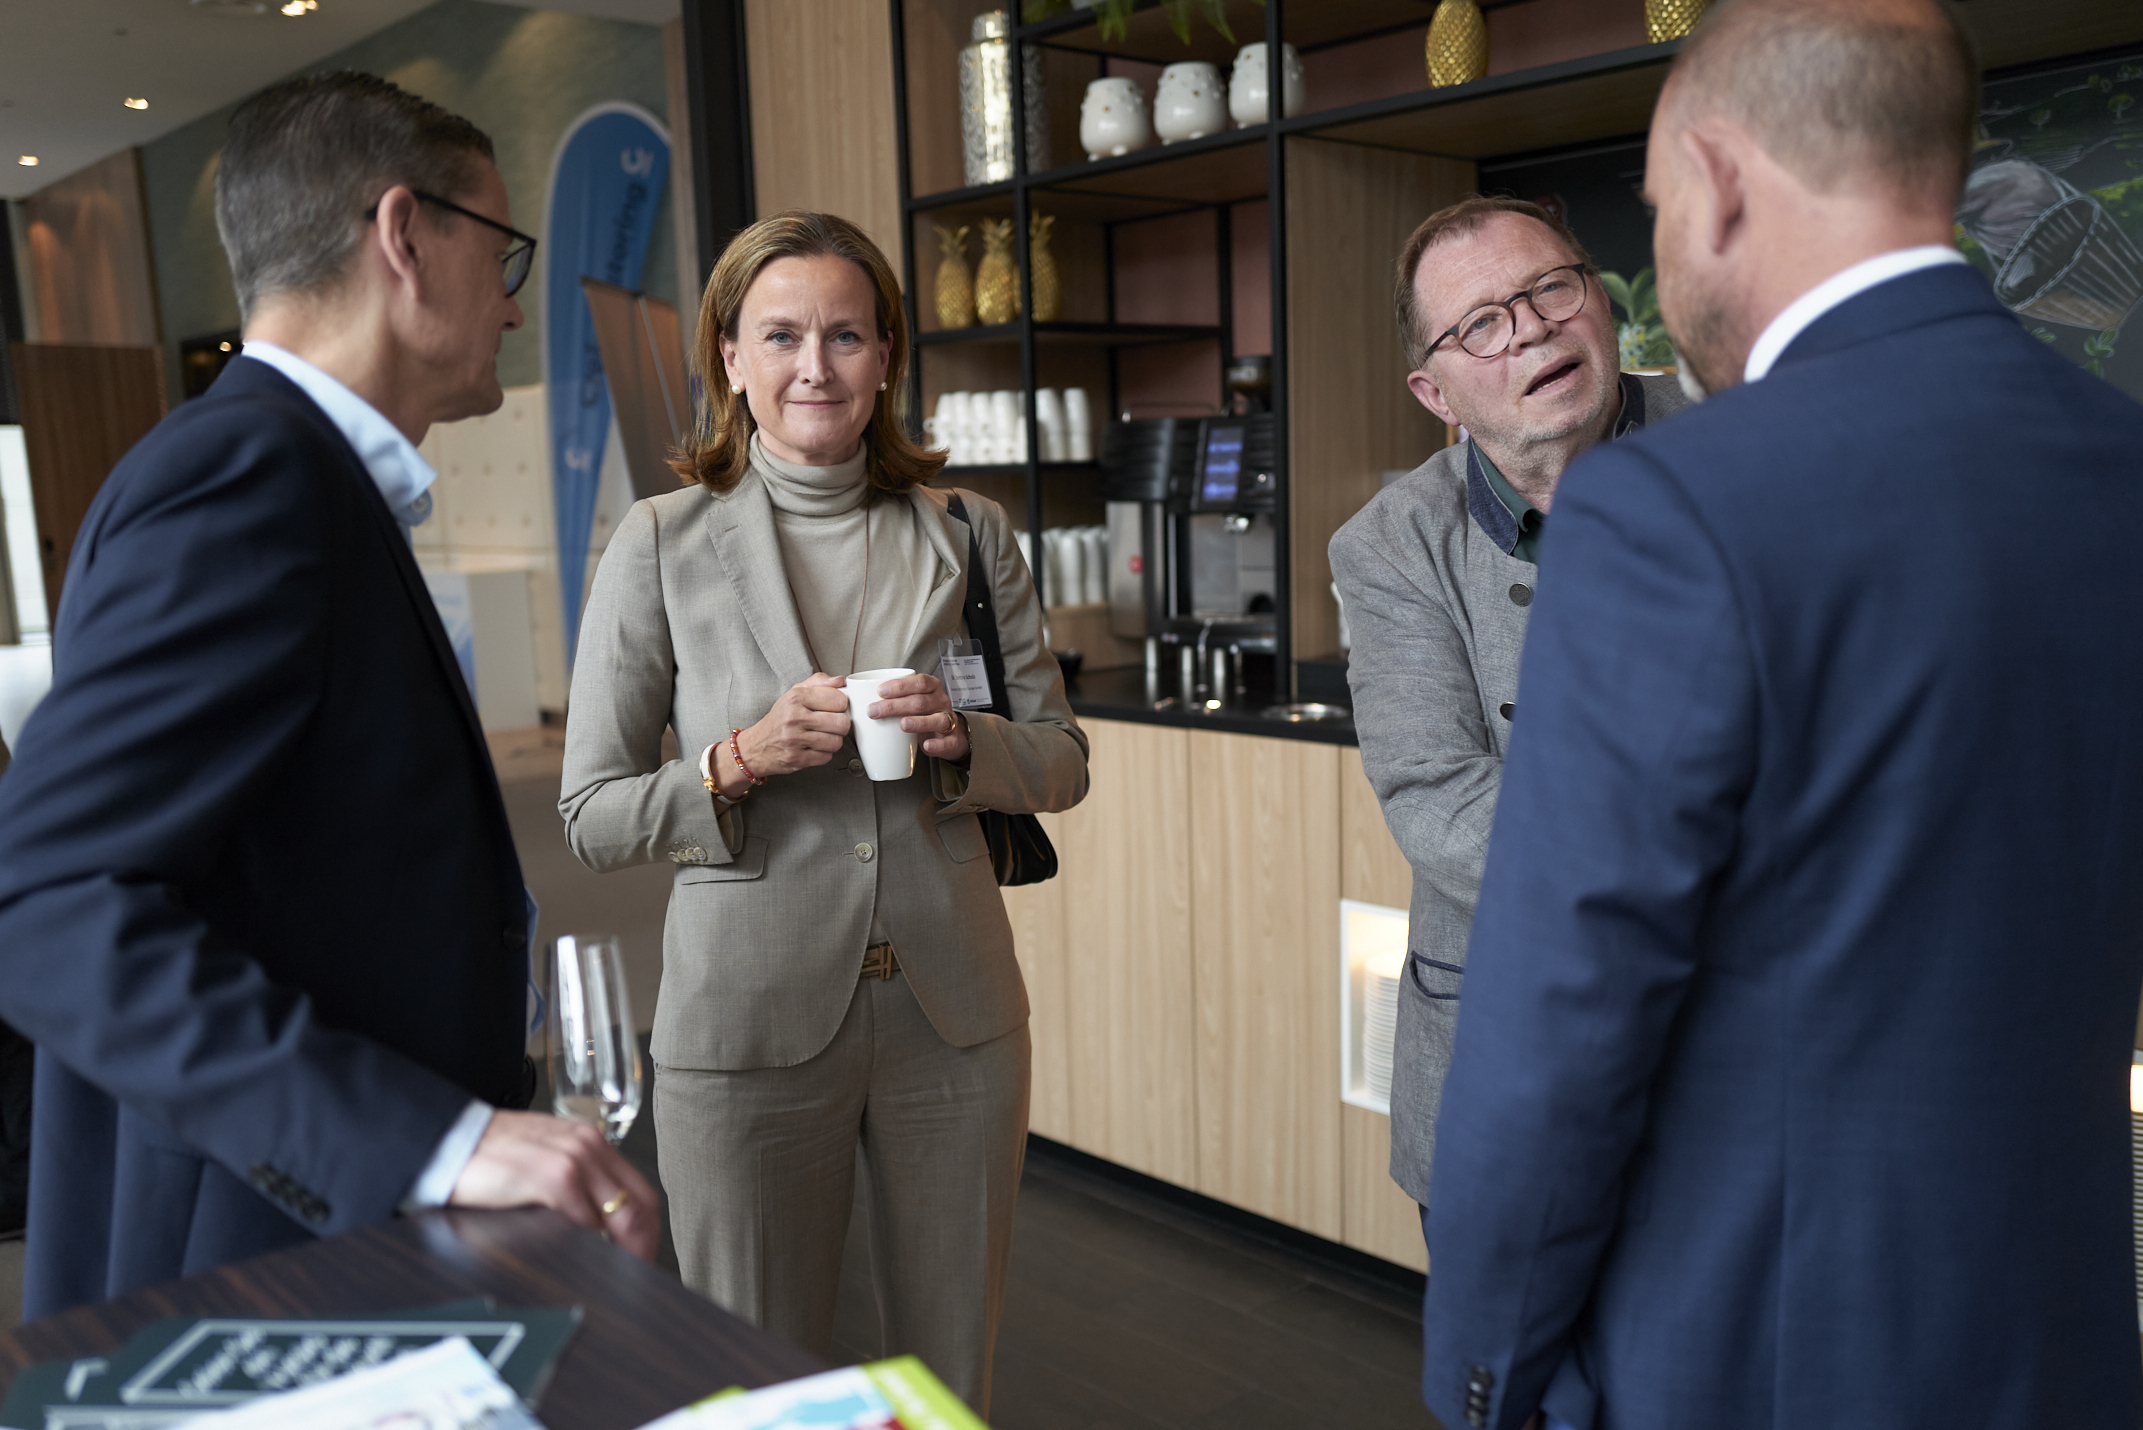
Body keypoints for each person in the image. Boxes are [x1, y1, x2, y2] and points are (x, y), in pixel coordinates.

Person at [1416, 1, 2143, 1426]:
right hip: (2058, 1325)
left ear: (1716, 175)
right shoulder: (2118, 463)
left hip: (1758, 1346)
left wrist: (1484, 1371)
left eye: (1650, 207)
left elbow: (1561, 1015)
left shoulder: (1666, 505)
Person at [0, 72, 657, 1321]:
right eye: (503, 255)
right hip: (264, 1246)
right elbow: (44, 900)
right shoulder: (250, 473)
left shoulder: (265, 463)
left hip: (320, 1227)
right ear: (404, 236)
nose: (514, 307)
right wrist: (435, 1141)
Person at [561, 210, 1088, 1413]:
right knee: (757, 1383)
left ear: (888, 353)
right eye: (781, 335)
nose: (815, 365)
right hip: (744, 1026)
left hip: (955, 1020)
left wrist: (966, 742)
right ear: (729, 355)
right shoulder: (659, 543)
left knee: (945, 1379)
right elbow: (591, 812)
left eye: (846, 334)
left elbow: (1060, 760)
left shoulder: (969, 532)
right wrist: (734, 760)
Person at [1329, 196, 1688, 1220]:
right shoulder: (1391, 544)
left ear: (1599, 302)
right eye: (1480, 322)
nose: (1530, 328)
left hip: (1745, 1040)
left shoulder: (1746, 438)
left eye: (1549, 289)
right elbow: (1435, 796)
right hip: (1512, 1044)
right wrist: (1686, 864)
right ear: (1433, 391)